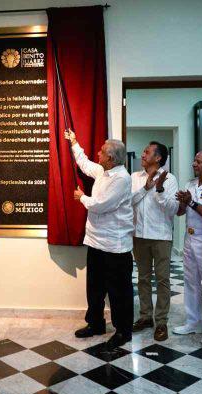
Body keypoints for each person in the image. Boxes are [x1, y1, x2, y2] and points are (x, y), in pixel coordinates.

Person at [65, 129, 134, 348]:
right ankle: (95, 323)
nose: (98, 154)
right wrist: (75, 141)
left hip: (115, 245)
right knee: (94, 288)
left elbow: (102, 205)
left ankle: (123, 331)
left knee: (118, 292)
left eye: (102, 152)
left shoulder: (122, 178)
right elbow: (84, 164)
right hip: (95, 241)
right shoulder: (104, 171)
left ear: (111, 159)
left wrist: (81, 197)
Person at [130, 142, 179, 341]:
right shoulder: (134, 177)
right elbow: (128, 202)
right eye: (144, 151)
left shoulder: (171, 179)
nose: (142, 154)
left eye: (147, 152)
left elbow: (173, 209)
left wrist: (159, 190)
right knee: (142, 279)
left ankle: (161, 322)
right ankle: (145, 317)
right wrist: (146, 187)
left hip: (161, 236)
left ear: (158, 158)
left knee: (162, 280)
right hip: (138, 235)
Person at [173, 151, 202, 345]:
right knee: (190, 280)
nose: (194, 164)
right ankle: (193, 322)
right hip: (189, 237)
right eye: (194, 161)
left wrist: (191, 201)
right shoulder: (190, 183)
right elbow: (182, 212)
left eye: (199, 162)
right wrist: (183, 202)